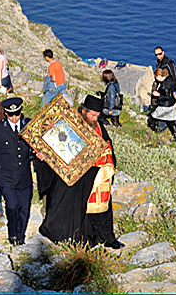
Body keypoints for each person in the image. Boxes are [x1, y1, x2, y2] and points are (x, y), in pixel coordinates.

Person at [37, 95, 121, 248]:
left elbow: (106, 145)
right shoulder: (70, 122)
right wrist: (44, 155)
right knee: (71, 205)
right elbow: (57, 143)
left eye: (97, 115)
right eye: (92, 115)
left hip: (94, 174)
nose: (94, 118)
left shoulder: (99, 126)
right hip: (74, 175)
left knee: (99, 207)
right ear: (83, 111)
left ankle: (103, 237)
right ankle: (69, 236)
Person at [0, 97, 39, 245]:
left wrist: (37, 153)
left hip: (24, 175)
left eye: (17, 114)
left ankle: (20, 237)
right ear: (6, 114)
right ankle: (12, 233)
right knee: (12, 205)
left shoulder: (28, 125)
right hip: (5, 175)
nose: (14, 118)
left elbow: (36, 146)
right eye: (11, 115)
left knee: (24, 209)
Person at [148, 67, 176, 145]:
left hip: (164, 106)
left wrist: (158, 95)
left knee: (152, 117)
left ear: (159, 75)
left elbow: (167, 97)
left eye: (156, 76)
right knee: (172, 122)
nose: (155, 78)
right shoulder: (170, 80)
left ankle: (154, 131)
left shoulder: (164, 85)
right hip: (172, 105)